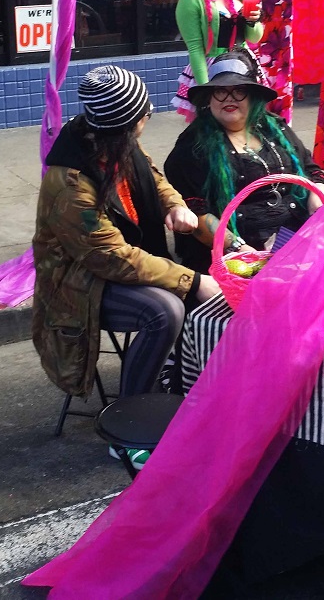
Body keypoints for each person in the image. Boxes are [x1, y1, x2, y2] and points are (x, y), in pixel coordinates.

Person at [32, 65, 220, 467]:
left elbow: (154, 179)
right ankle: (131, 425)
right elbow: (111, 258)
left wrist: (176, 206)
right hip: (78, 284)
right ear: (133, 122)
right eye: (146, 115)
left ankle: (174, 391)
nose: (147, 121)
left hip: (116, 268)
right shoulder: (70, 181)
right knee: (165, 308)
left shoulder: (115, 143)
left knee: (188, 296)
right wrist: (191, 281)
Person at [165, 50, 324, 273]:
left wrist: (316, 195)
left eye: (239, 91)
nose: (229, 99)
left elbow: (312, 171)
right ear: (209, 98)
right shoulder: (193, 146)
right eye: (220, 92)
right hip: (237, 254)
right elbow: (194, 209)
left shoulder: (273, 127)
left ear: (253, 97)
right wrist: (241, 250)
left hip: (295, 237)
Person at [173, 0, 264, 121]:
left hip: (243, 66)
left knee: (246, 125)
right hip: (212, 70)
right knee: (215, 127)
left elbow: (255, 37)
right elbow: (196, 49)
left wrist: (253, 20)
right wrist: (206, 92)